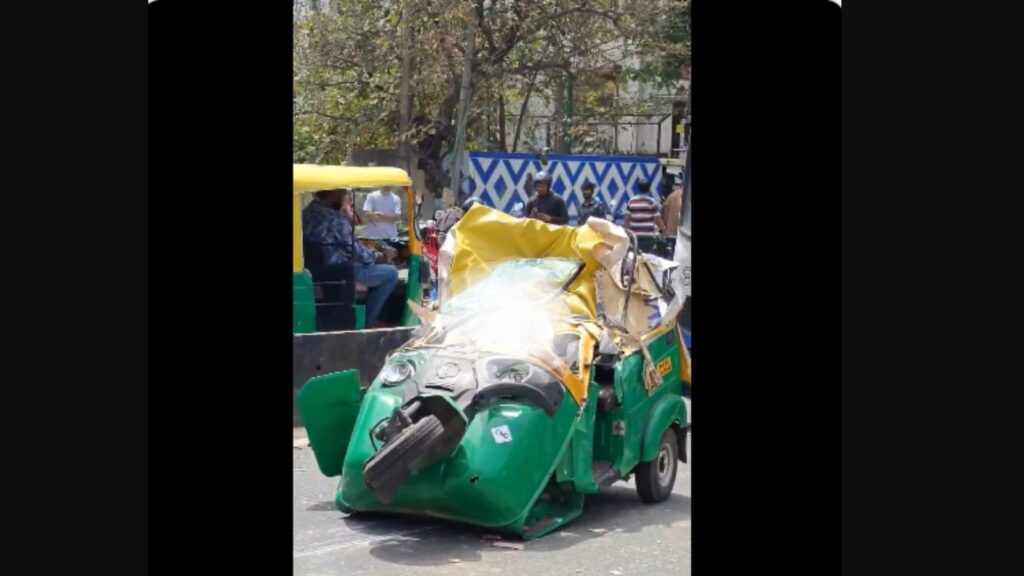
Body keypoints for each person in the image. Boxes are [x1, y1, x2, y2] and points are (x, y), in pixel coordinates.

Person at [303, 188, 399, 328]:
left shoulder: (308, 212)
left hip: (316, 269)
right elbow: (359, 253)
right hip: (339, 271)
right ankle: (370, 322)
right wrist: (383, 256)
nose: (346, 197)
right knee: (391, 273)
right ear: (334, 194)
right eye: (344, 193)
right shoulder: (336, 220)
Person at [623, 177, 665, 253]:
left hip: (634, 236)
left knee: (635, 255)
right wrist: (663, 228)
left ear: (639, 188)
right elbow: (657, 219)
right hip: (648, 236)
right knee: (645, 256)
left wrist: (626, 232)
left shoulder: (631, 201)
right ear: (649, 189)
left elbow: (627, 219)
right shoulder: (651, 202)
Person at [661, 181, 684, 257]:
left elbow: (665, 212)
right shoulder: (687, 196)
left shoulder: (672, 196)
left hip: (671, 231)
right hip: (684, 233)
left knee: (671, 253)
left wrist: (665, 227)